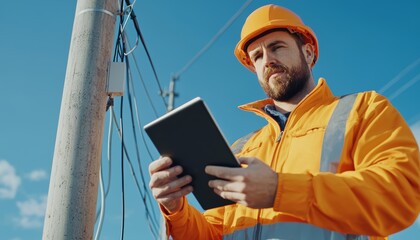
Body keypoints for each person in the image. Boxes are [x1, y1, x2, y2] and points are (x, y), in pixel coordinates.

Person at [148, 4, 420, 240]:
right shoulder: (242, 148)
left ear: (309, 53)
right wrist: (176, 209)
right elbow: (215, 233)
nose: (268, 61)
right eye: (257, 56)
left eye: (277, 47)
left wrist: (280, 190)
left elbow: (400, 194)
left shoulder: (363, 110)